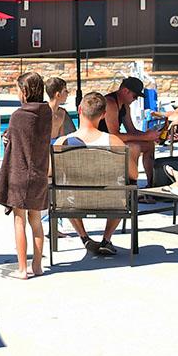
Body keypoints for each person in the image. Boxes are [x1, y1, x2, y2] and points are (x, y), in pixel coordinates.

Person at [53, 92, 133, 255]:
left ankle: (84, 237)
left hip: (73, 202)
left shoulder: (63, 142)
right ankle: (106, 239)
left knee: (64, 190)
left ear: (79, 110)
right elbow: (134, 174)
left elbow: (50, 172)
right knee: (123, 190)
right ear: (104, 115)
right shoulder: (114, 141)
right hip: (110, 202)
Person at [0, 72, 51, 279]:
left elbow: (13, 142)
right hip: (39, 173)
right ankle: (37, 265)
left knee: (19, 220)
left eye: (18, 89)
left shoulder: (19, 115)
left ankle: (22, 269)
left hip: (20, 173)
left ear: (25, 91)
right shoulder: (46, 113)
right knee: (36, 220)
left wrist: (6, 138)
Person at [99, 76, 159, 183]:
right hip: (101, 142)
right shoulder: (110, 103)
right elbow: (114, 135)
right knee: (133, 147)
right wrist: (144, 136)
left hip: (111, 140)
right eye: (135, 96)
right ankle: (131, 186)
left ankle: (151, 184)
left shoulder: (125, 106)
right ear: (125, 91)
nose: (135, 99)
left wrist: (151, 136)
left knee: (149, 145)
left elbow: (132, 130)